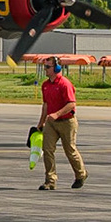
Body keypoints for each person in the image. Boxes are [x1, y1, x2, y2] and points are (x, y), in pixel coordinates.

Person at [36, 58, 87, 191]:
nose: (45, 69)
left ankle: (81, 174)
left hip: (67, 122)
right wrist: (41, 123)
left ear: (56, 68)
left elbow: (71, 104)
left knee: (70, 150)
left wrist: (57, 114)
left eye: (48, 67)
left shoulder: (65, 84)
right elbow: (46, 105)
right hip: (51, 123)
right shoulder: (45, 85)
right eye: (45, 67)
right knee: (47, 150)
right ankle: (50, 181)